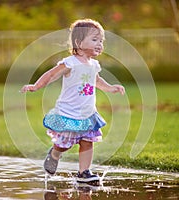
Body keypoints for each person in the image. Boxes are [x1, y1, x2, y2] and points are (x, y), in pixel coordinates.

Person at [21, 18, 125, 183]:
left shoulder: (94, 65)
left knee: (87, 141)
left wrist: (111, 88)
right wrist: (36, 86)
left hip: (88, 113)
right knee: (65, 144)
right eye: (94, 39)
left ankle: (84, 172)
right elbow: (51, 75)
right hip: (69, 113)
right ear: (78, 42)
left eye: (101, 40)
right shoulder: (70, 63)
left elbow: (96, 81)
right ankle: (55, 153)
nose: (99, 44)